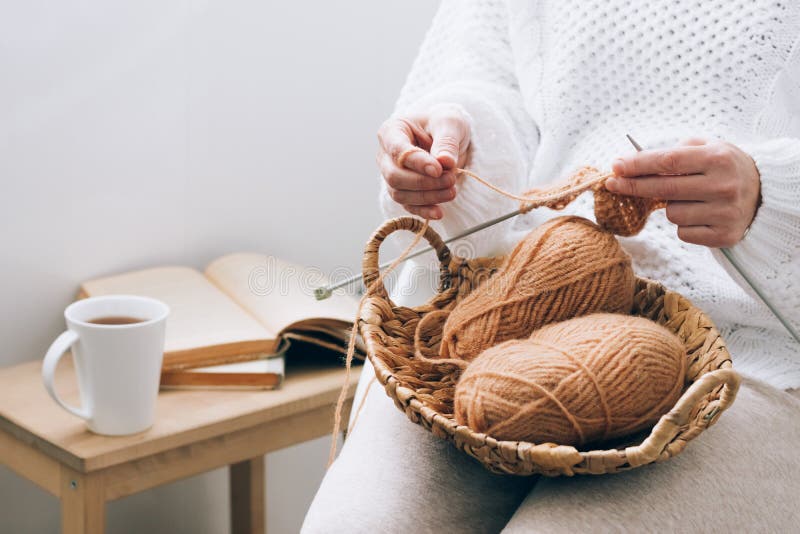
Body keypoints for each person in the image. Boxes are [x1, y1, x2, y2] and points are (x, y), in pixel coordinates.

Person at [303, 1, 800, 531]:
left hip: (748, 359)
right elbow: (486, 73)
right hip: (519, 309)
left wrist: (774, 198)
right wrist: (457, 144)